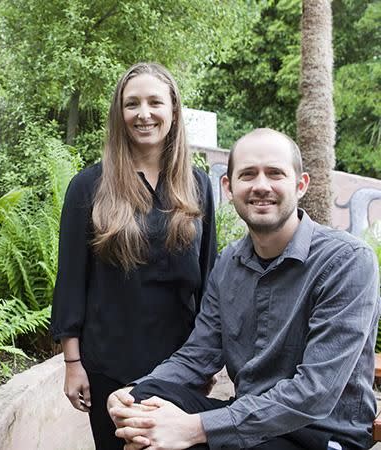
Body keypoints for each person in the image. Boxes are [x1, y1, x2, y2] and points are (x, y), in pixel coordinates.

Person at [108, 128, 380, 450]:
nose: (261, 186)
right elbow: (198, 356)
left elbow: (315, 393)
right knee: (143, 406)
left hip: (321, 433)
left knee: (173, 435)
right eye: (248, 174)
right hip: (250, 422)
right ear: (229, 187)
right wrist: (134, 390)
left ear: (300, 184)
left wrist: (195, 428)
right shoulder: (228, 264)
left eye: (275, 174)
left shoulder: (345, 261)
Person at [50, 62, 217, 450]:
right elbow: (72, 280)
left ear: (173, 111)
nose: (144, 114)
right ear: (119, 114)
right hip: (110, 366)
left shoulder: (198, 186)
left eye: (155, 102)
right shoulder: (89, 186)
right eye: (132, 104)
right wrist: (72, 365)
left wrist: (205, 361)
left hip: (180, 367)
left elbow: (210, 281)